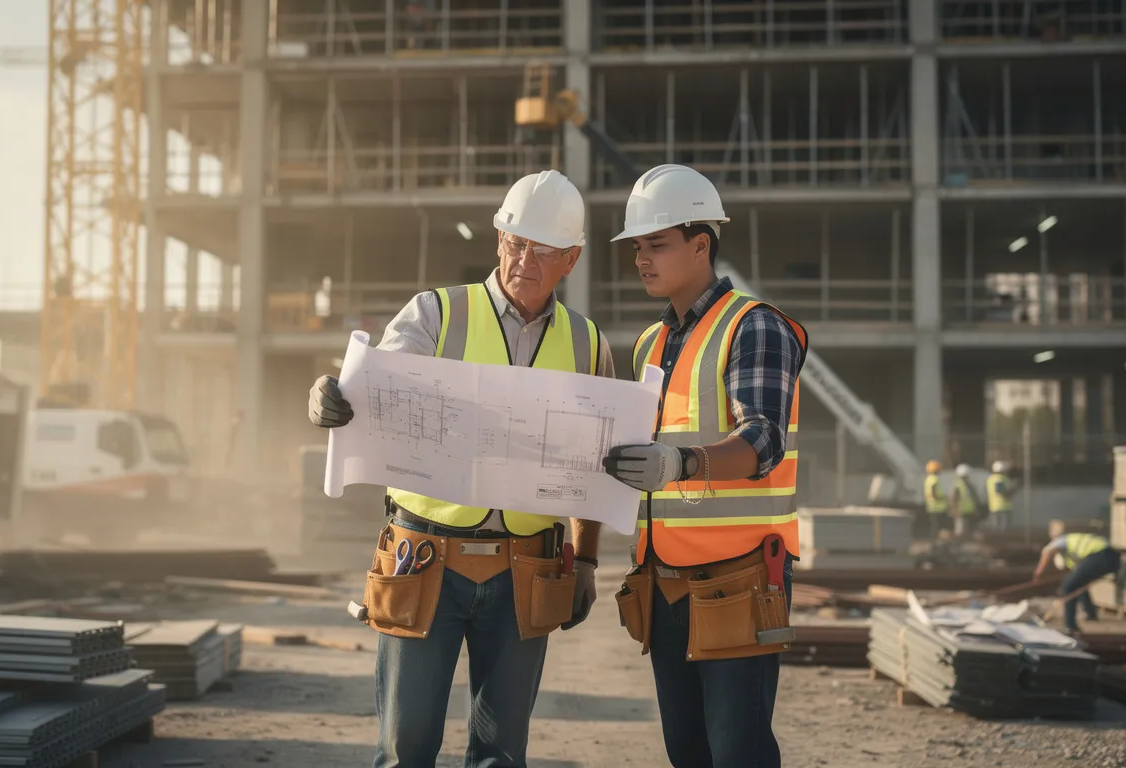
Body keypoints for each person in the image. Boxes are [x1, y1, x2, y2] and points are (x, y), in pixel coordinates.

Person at [307, 169, 614, 768]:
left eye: (544, 249)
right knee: (405, 750)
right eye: (516, 242)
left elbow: (591, 467)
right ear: (499, 239)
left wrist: (588, 561)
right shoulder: (435, 315)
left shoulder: (587, 344)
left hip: (527, 565)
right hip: (424, 559)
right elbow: (374, 391)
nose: (525, 259)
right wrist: (330, 394)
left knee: (502, 755)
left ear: (571, 259)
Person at [600, 164, 807, 768]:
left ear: (701, 245)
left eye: (657, 245)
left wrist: (681, 461)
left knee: (737, 752)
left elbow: (762, 440)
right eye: (638, 247)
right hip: (666, 583)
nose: (643, 258)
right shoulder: (650, 343)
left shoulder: (754, 325)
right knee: (687, 751)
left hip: (738, 581)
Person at [1033, 524, 1121, 636]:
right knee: (1078, 585)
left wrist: (1039, 573)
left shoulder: (1060, 541)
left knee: (1068, 586)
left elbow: (1047, 552)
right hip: (1113, 558)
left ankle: (1070, 626)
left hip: (1099, 554)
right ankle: (1091, 614)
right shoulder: (1073, 552)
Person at [949, 463, 982, 536]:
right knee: (961, 532)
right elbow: (953, 498)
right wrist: (954, 510)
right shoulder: (960, 485)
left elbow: (974, 498)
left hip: (967, 511)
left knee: (965, 532)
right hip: (962, 512)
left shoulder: (967, 485)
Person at [923, 459, 950, 537]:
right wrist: (939, 497)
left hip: (931, 507)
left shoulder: (927, 479)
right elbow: (933, 489)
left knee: (934, 527)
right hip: (938, 508)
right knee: (940, 527)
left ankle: (934, 541)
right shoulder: (934, 478)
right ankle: (938, 542)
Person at [986, 460, 1015, 531]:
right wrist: (1012, 491)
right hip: (1003, 507)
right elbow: (999, 490)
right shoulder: (1000, 478)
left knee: (995, 529)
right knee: (1004, 530)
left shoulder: (990, 479)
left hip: (993, 507)